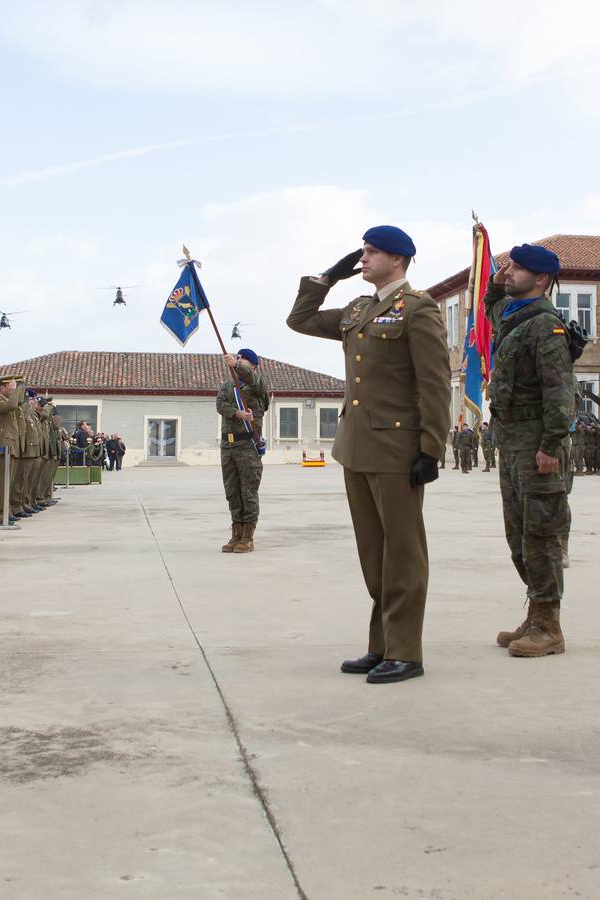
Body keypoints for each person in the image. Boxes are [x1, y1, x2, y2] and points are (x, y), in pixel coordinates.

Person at [287, 225, 449, 684]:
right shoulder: (359, 308)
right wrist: (326, 279)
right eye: (362, 251)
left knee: (403, 553)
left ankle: (406, 652)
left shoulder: (418, 310)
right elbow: (299, 320)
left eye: (372, 252)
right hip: (357, 447)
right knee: (373, 553)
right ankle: (381, 646)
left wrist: (431, 449)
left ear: (397, 260)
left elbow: (433, 384)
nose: (363, 258)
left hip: (398, 449)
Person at [481, 244, 575, 658]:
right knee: (518, 534)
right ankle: (534, 612)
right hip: (511, 438)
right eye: (510, 266)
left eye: (518, 268)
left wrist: (551, 444)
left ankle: (549, 625)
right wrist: (494, 278)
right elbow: (491, 305)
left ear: (540, 279)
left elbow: (559, 391)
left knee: (541, 534)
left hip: (537, 440)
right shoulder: (513, 317)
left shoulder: (545, 326)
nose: (510, 272)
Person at [218, 348, 270, 553]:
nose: (239, 361)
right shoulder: (228, 386)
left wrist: (236, 366)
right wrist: (237, 413)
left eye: (243, 360)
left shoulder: (258, 384)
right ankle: (236, 534)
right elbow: (220, 405)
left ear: (253, 366)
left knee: (248, 492)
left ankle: (248, 537)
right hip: (228, 446)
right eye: (237, 358)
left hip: (247, 446)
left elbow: (253, 380)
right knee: (232, 492)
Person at [0, 375, 26, 525]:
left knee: (7, 484)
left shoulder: (8, 400)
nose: (13, 389)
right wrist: (15, 390)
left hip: (10, 446)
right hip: (2, 446)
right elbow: (10, 406)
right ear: (2, 387)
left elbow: (18, 403)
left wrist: (20, 389)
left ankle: (4, 513)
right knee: (1, 485)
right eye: (10, 386)